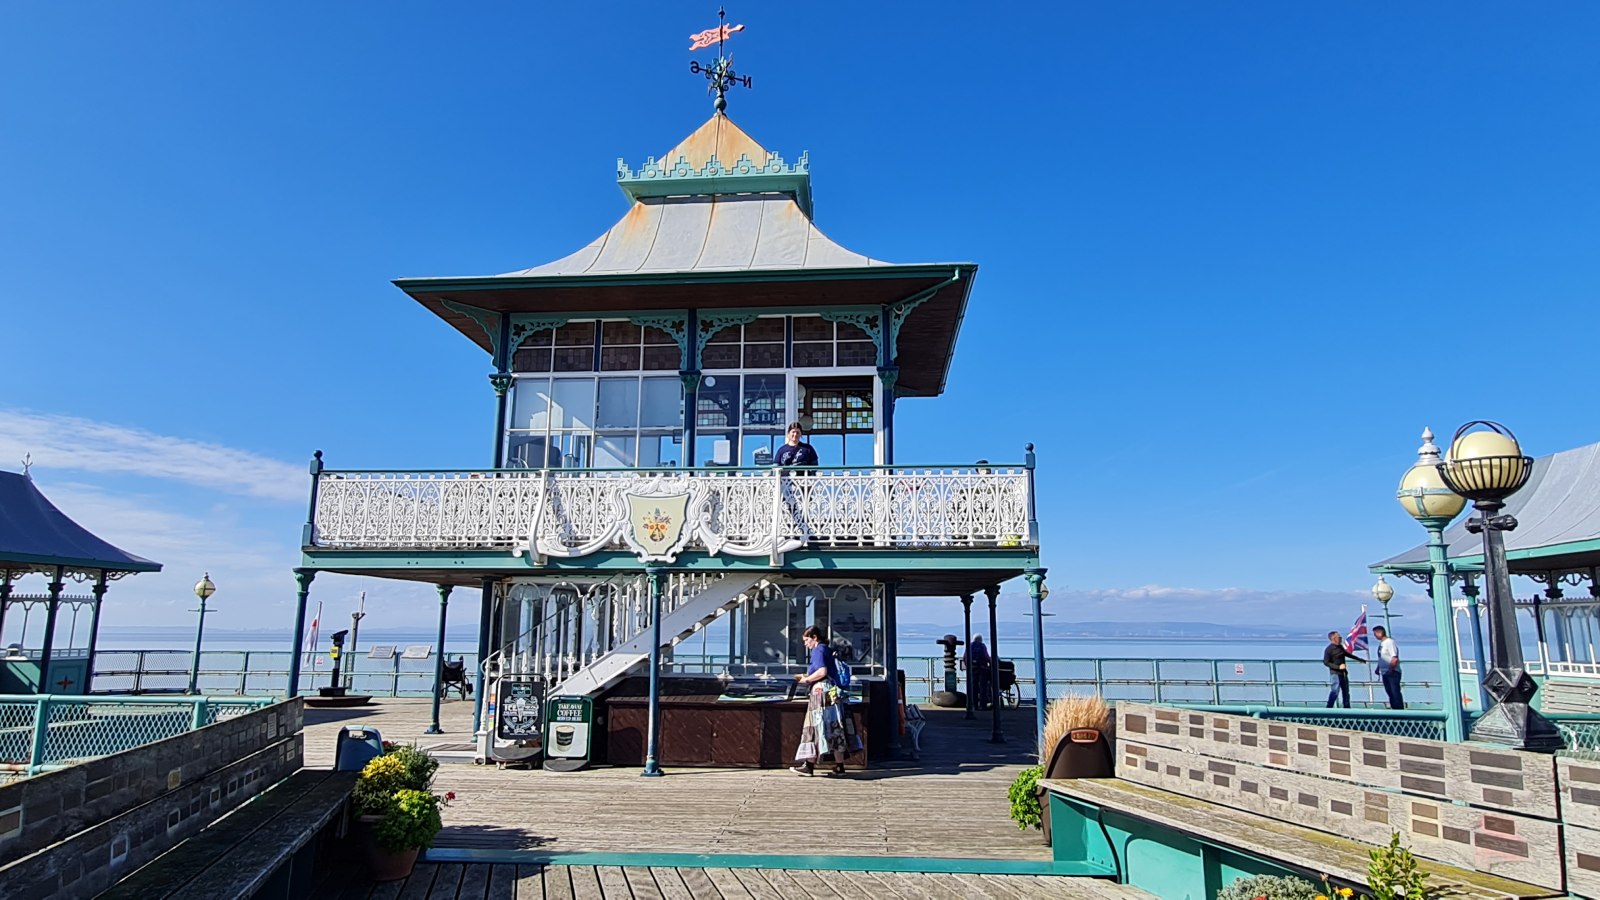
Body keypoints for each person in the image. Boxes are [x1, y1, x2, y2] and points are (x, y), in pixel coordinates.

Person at [791, 625, 861, 776]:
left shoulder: (818, 650)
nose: (805, 644)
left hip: (820, 693)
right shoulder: (828, 650)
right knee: (835, 727)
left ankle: (809, 765)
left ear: (814, 638)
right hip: (832, 693)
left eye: (807, 640)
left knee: (814, 726)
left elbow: (822, 671)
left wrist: (806, 679)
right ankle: (839, 766)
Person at [1322, 630, 1365, 709]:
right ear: (1333, 638)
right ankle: (1329, 708)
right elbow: (1326, 662)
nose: (1341, 638)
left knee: (1346, 692)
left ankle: (1347, 708)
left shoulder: (1340, 647)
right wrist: (1338, 667)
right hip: (1335, 673)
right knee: (1335, 691)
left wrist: (1359, 659)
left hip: (1343, 673)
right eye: (1339, 637)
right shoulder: (1329, 649)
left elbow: (1347, 654)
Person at [1373, 625, 1404, 709]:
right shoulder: (1382, 644)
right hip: (1384, 672)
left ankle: (1399, 711)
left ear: (1380, 632)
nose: (1374, 636)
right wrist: (1378, 668)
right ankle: (1394, 709)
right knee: (1390, 692)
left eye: (1375, 633)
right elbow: (1382, 657)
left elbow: (1394, 658)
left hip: (1392, 672)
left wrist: (1391, 669)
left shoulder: (1389, 642)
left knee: (1395, 692)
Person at [965, 633, 993, 709]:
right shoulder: (982, 646)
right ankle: (983, 705)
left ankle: (974, 705)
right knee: (983, 687)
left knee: (973, 687)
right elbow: (986, 657)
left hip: (972, 669)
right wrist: (990, 663)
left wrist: (969, 666)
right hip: (983, 668)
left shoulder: (970, 646)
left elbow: (965, 657)